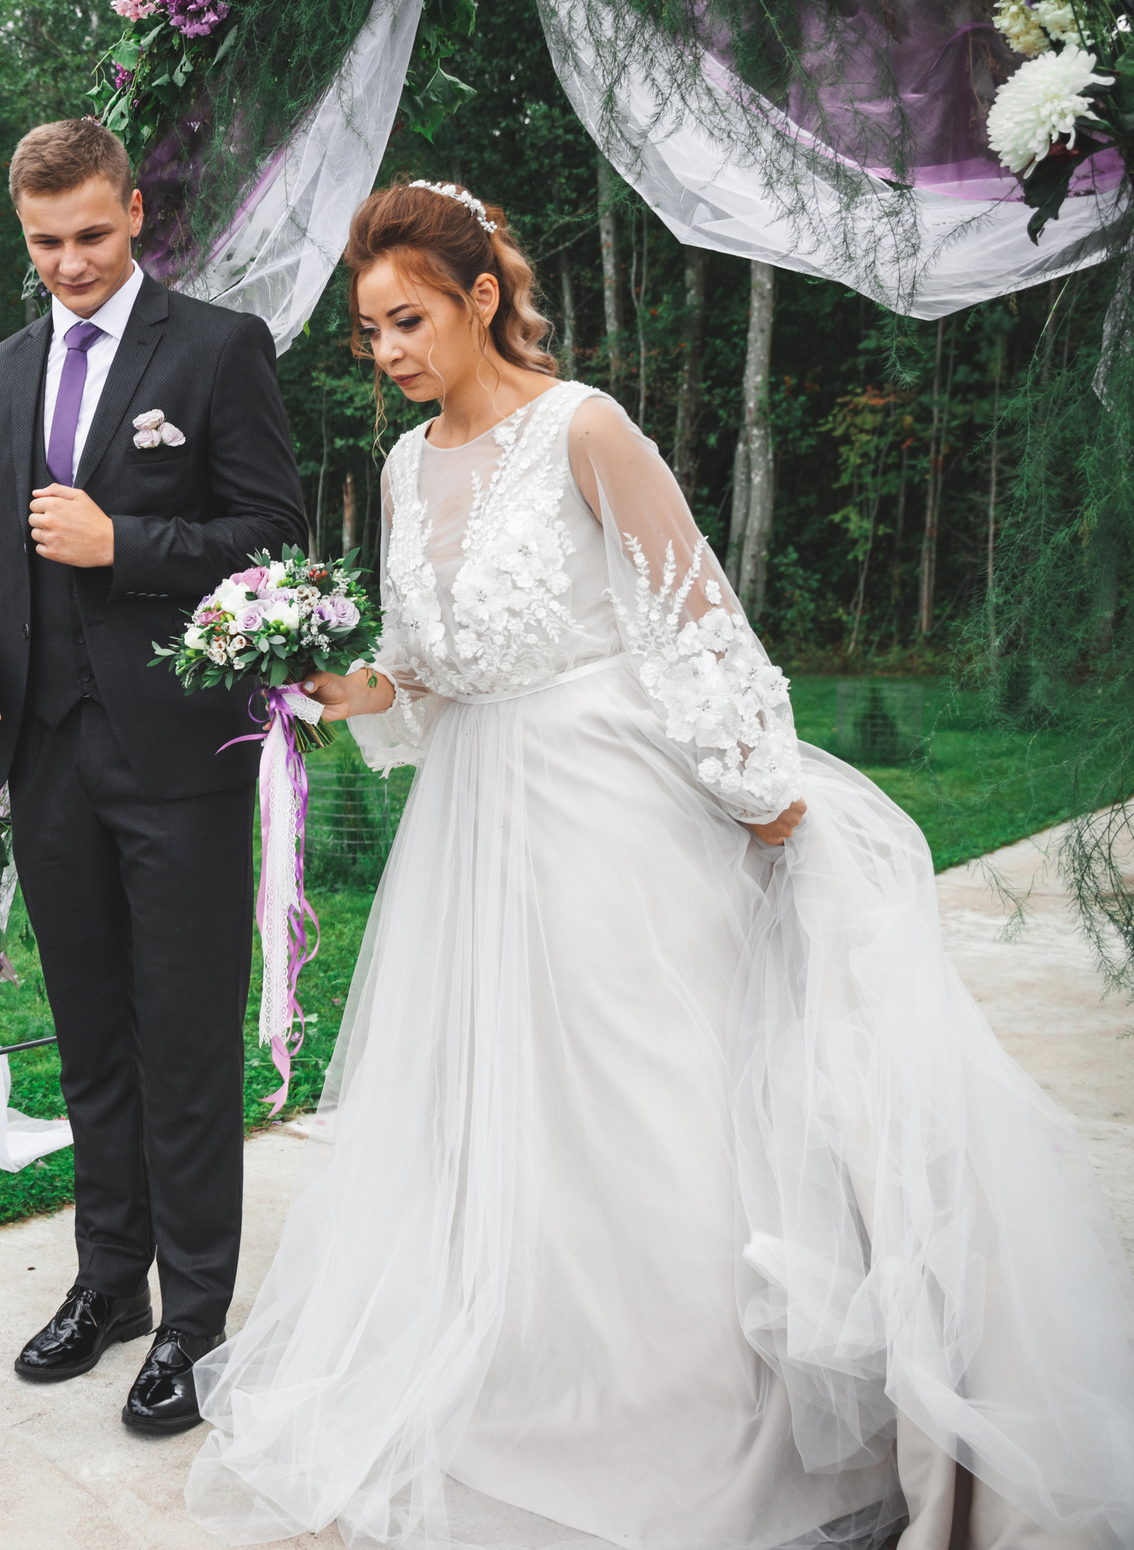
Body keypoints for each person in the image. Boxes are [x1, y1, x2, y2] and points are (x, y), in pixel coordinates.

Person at [187, 182, 1134, 1550]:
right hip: (473, 829)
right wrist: (351, 685)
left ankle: (697, 1413)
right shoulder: (401, 466)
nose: (385, 350)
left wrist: (762, 792)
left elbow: (695, 613)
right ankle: (531, 1372)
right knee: (495, 1105)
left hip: (610, 813)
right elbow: (430, 667)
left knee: (645, 1101)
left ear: (481, 299)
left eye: (407, 320)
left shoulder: (584, 427)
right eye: (368, 331)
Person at [0, 117, 307, 1433]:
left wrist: (123, 542)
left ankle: (195, 1314)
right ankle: (111, 1281)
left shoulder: (214, 348)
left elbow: (272, 538)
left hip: (181, 756)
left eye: (92, 234)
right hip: (45, 756)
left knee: (183, 1040)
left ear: (135, 211)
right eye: (45, 242)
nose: (71, 263)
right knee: (92, 1034)